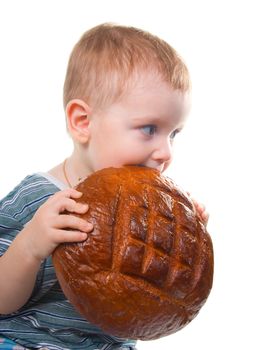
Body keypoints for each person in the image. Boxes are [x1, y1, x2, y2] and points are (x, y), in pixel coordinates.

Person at [0, 23, 209, 349]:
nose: (166, 152)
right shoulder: (37, 198)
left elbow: (144, 314)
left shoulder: (149, 205)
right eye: (149, 128)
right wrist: (30, 245)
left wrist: (178, 243)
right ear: (83, 122)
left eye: (173, 133)